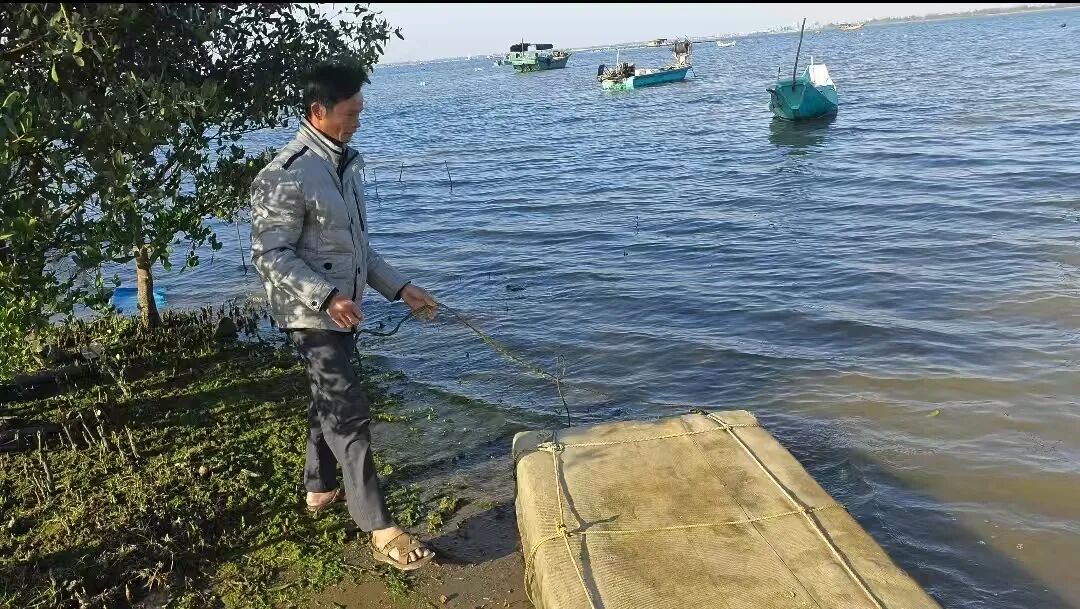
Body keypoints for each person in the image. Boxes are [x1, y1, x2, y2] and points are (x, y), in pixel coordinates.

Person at [249, 58, 438, 571]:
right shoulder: (285, 173)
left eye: (360, 109)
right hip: (309, 314)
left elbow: (359, 250)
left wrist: (402, 289)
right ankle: (379, 527)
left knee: (328, 397)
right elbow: (269, 255)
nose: (359, 119)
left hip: (344, 311)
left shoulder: (346, 165)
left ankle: (319, 487)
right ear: (319, 111)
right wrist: (327, 295)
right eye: (351, 111)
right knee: (347, 410)